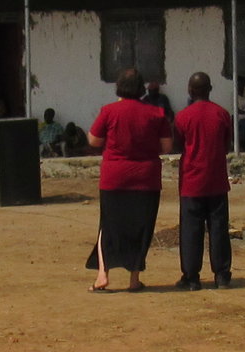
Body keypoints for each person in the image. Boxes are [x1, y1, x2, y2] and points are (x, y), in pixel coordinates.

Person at [87, 69, 168, 291]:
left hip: (115, 177)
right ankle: (134, 279)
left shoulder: (109, 111)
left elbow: (94, 140)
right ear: (142, 89)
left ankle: (102, 274)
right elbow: (167, 146)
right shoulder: (156, 113)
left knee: (108, 224)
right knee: (141, 227)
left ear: (118, 87)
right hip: (146, 178)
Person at [171, 72, 234, 290]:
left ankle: (191, 277)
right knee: (218, 228)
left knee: (191, 230)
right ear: (210, 89)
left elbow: (177, 145)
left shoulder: (182, 117)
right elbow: (227, 144)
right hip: (216, 180)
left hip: (191, 181)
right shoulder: (223, 114)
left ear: (190, 90)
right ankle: (222, 275)